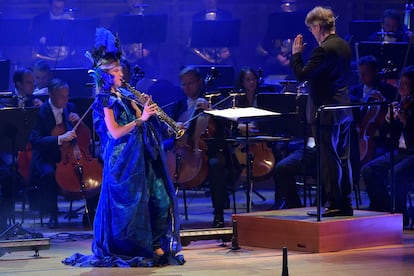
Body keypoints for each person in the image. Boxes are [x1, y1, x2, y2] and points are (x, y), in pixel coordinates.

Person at [63, 28, 183, 267]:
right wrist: (141, 119)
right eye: (116, 71)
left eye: (120, 69)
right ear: (106, 75)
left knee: (161, 200)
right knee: (130, 209)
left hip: (142, 156)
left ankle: (156, 243)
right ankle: (137, 247)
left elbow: (142, 119)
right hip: (124, 161)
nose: (121, 73)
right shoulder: (104, 99)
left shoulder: (125, 93)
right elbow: (115, 131)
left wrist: (145, 108)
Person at [290, 6, 354, 217]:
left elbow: (302, 75)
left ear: (318, 27)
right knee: (342, 157)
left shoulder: (324, 49)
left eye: (311, 29)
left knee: (328, 158)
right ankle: (344, 201)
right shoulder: (343, 44)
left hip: (326, 111)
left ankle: (334, 203)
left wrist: (296, 55)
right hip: (343, 109)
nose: (312, 34)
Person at [169, 66, 238, 228]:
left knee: (215, 166)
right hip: (183, 150)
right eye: (183, 84)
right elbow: (170, 127)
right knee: (163, 165)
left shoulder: (213, 99)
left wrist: (211, 110)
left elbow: (229, 124)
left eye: (190, 84)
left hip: (208, 150)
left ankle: (219, 213)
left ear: (200, 82)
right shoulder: (179, 104)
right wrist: (174, 126)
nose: (187, 88)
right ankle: (166, 215)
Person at [361, 65, 414, 227]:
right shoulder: (401, 103)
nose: (401, 87)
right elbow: (386, 134)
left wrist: (407, 121)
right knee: (369, 170)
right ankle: (382, 207)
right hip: (400, 151)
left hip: (412, 153)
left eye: (406, 83)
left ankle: (401, 216)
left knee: (396, 174)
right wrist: (389, 119)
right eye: (400, 83)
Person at [29, 78, 79, 229]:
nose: (66, 99)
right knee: (49, 173)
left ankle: (91, 213)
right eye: (62, 96)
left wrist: (78, 121)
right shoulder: (39, 112)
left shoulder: (70, 107)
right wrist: (59, 138)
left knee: (89, 171)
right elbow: (36, 141)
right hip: (45, 156)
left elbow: (78, 134)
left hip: (66, 156)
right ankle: (53, 214)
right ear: (51, 95)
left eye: (67, 95)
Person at [111, 0, 161, 79]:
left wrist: (147, 50)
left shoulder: (149, 16)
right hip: (126, 56)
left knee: (150, 65)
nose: (133, 2)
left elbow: (156, 37)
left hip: (146, 56)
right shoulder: (120, 18)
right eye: (130, 1)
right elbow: (112, 35)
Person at [185, 0, 234, 65]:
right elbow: (193, 38)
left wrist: (229, 51)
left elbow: (231, 36)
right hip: (202, 56)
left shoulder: (226, 15)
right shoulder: (197, 16)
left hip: (224, 56)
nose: (209, 0)